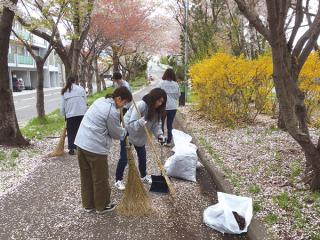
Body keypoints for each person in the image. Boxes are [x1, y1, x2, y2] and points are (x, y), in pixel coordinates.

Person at [74, 86, 132, 214]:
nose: (123, 105)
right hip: (94, 147)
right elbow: (116, 133)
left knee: (86, 175)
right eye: (124, 102)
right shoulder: (111, 111)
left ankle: (88, 205)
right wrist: (125, 132)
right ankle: (102, 206)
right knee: (100, 177)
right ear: (118, 98)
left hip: (81, 143)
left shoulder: (100, 100)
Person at [114, 88, 167, 190]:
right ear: (154, 98)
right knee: (124, 158)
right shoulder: (141, 105)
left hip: (140, 136)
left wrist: (160, 135)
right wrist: (139, 122)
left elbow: (156, 126)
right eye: (159, 100)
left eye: (162, 102)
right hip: (128, 133)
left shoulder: (157, 111)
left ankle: (143, 177)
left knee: (142, 157)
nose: (160, 104)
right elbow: (130, 124)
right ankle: (118, 180)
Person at [61, 75, 87, 155]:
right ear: (75, 81)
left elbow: (62, 105)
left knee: (71, 131)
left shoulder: (64, 91)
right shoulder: (81, 89)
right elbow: (85, 100)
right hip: (81, 112)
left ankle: (72, 148)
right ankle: (81, 147)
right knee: (80, 130)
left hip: (70, 114)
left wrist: (63, 114)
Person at [157, 68, 180, 147]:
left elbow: (156, 92)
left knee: (161, 124)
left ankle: (162, 141)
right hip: (173, 107)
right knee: (169, 125)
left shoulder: (162, 83)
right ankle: (169, 141)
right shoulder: (176, 84)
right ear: (173, 75)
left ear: (165, 74)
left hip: (163, 107)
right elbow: (178, 96)